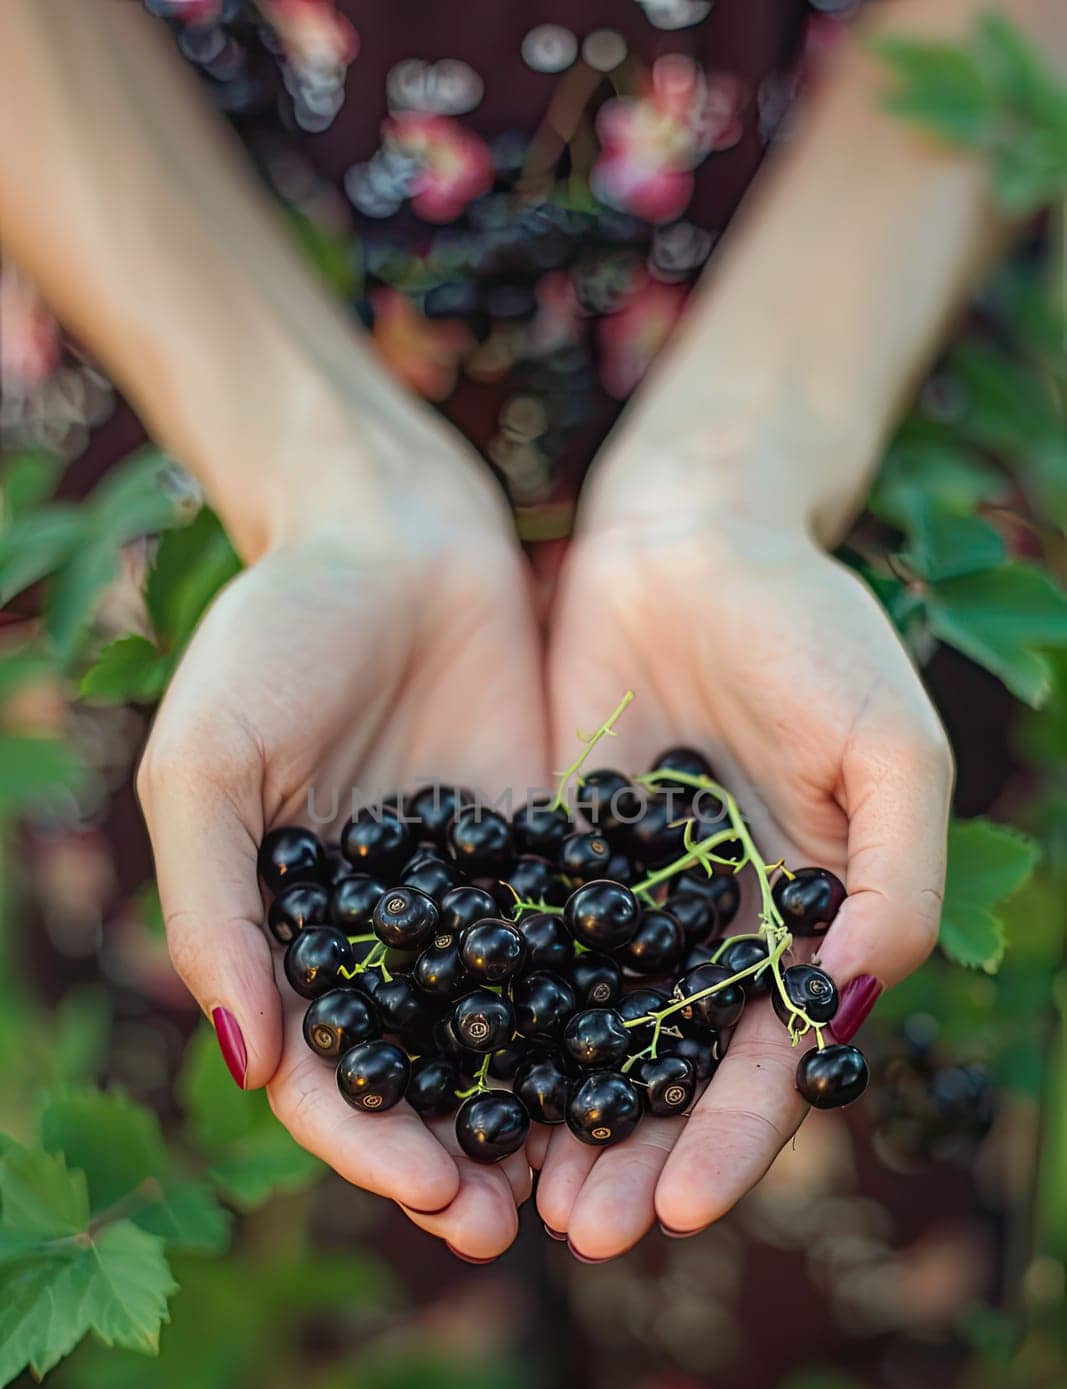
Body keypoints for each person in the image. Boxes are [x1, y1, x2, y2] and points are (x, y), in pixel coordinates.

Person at [1, 0, 1062, 1264]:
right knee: (344, 1254)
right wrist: (319, 478)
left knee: (808, 1259)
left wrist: (738, 476)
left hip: (840, 340)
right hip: (188, 347)